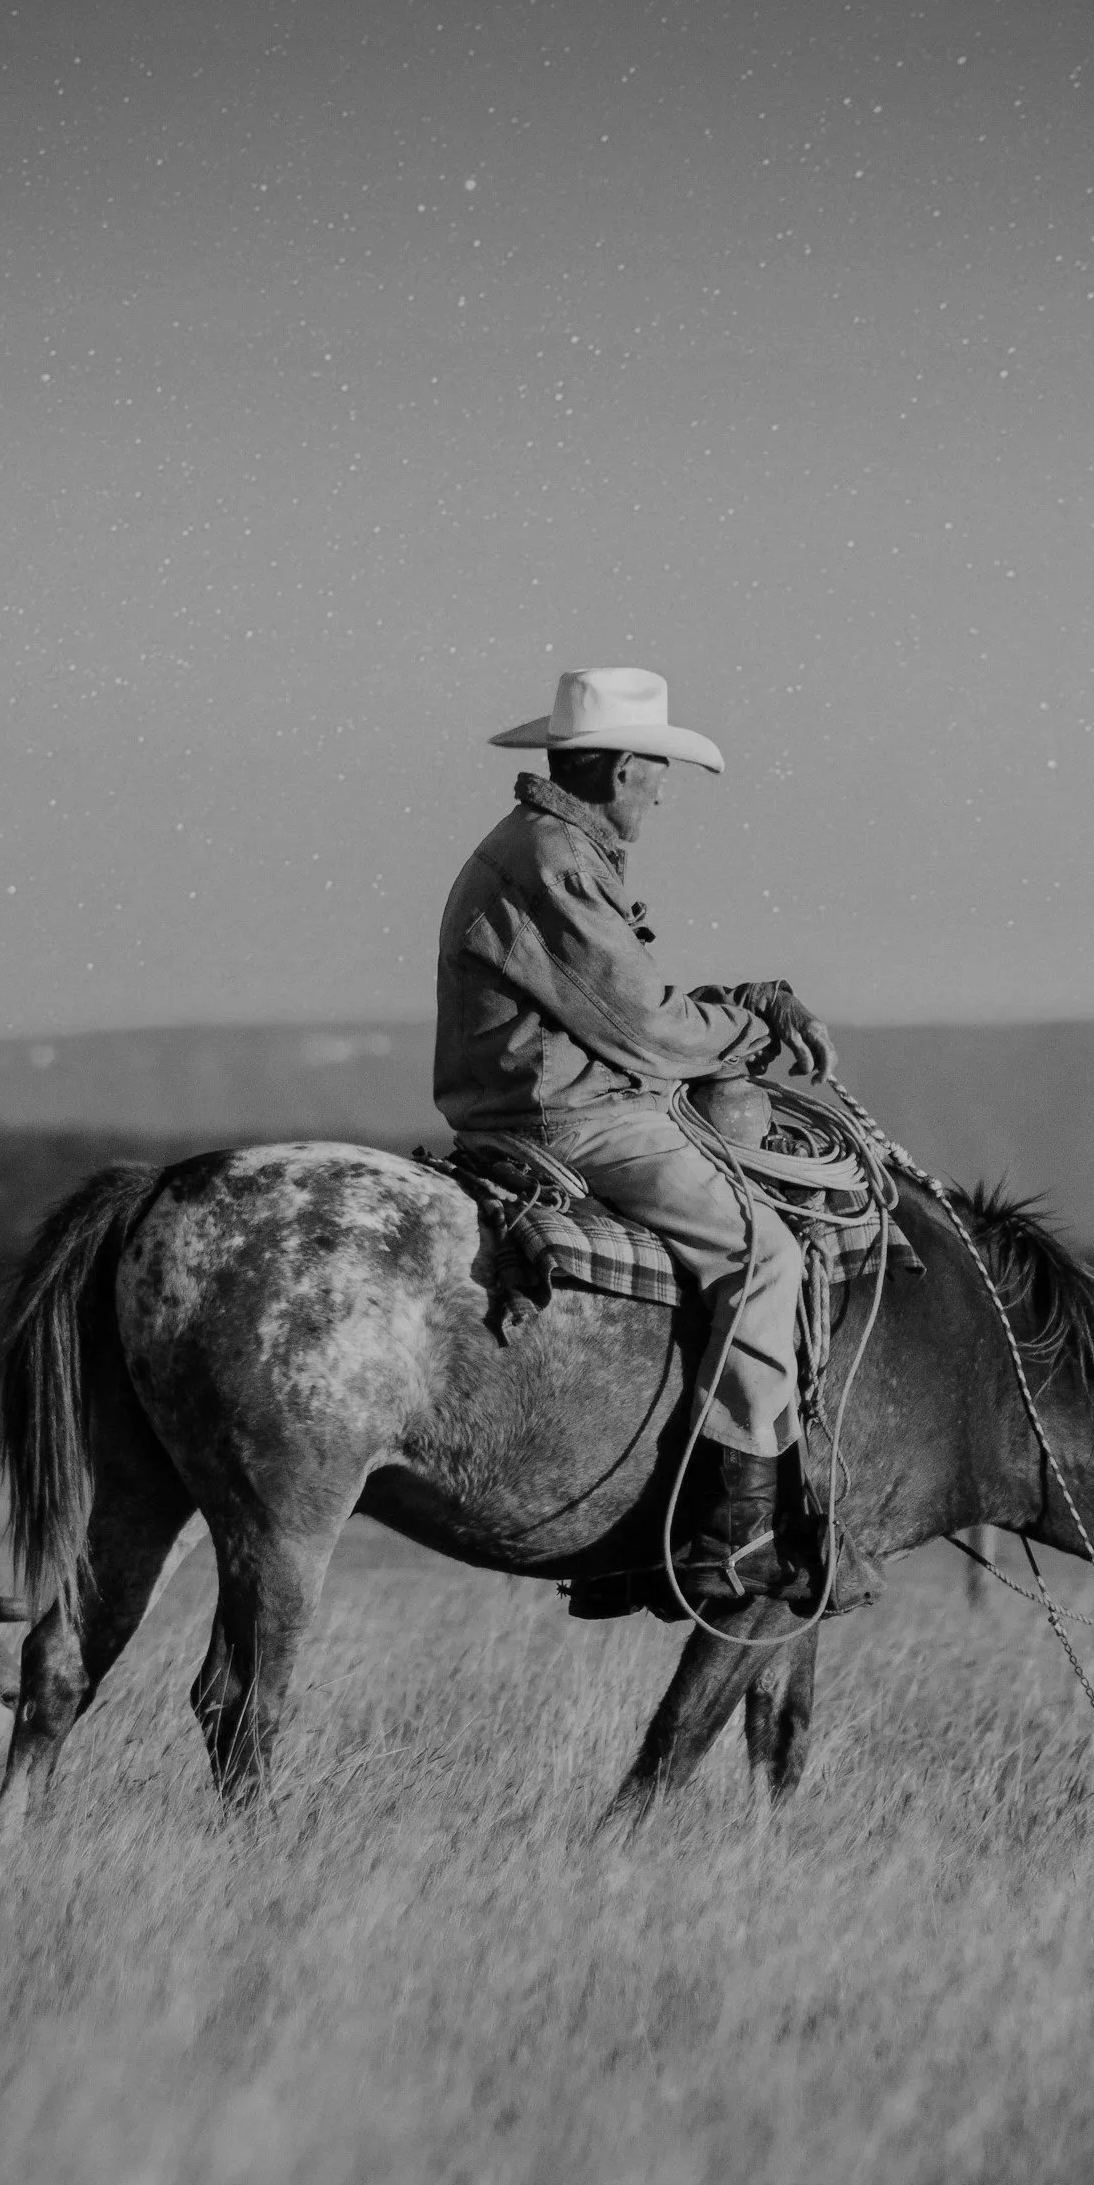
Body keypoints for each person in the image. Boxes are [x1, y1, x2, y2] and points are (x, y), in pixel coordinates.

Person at [435, 664, 839, 1610]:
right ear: (622, 770)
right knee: (765, 1256)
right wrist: (752, 1031)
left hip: (555, 1102)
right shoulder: (555, 860)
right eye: (658, 771)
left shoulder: (541, 849)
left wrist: (727, 1005)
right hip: (576, 1118)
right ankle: (730, 1531)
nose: (662, 791)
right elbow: (645, 1032)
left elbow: (622, 1005)